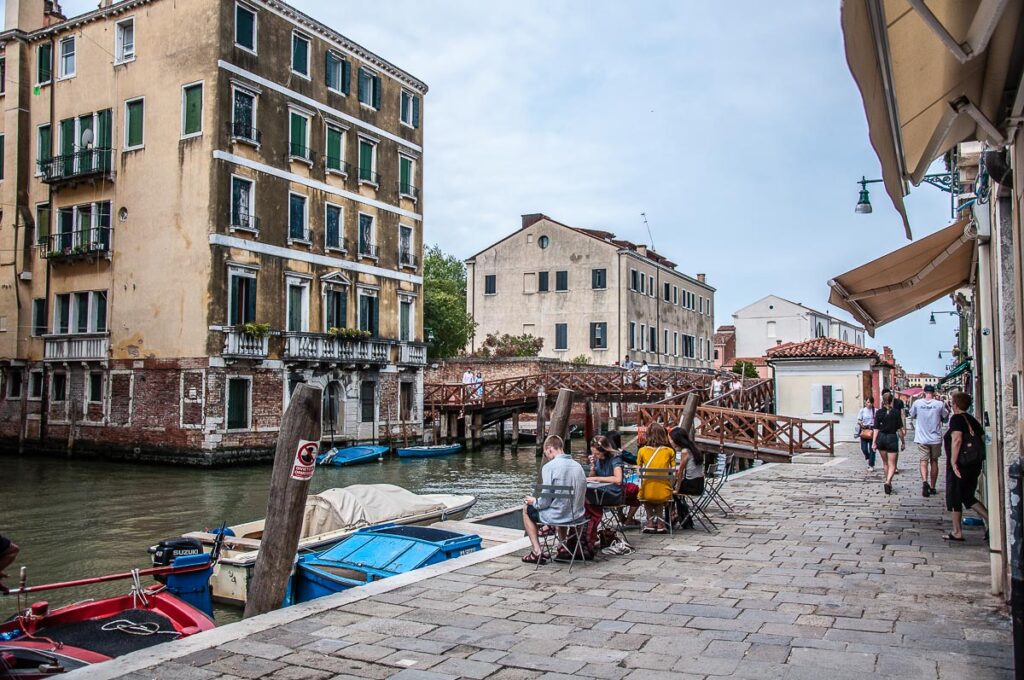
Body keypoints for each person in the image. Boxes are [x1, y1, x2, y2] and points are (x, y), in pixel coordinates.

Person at [522, 435, 587, 565]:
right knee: (560, 505)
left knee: (526, 509)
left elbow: (544, 502)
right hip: (578, 516)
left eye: (546, 454)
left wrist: (534, 501)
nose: (546, 457)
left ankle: (536, 552)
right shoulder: (578, 466)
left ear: (550, 449)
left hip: (559, 516)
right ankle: (563, 547)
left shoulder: (549, 467)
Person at [944, 391, 989, 542]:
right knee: (967, 496)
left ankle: (957, 531)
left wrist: (953, 462)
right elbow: (982, 439)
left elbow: (957, 440)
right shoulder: (972, 420)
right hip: (973, 464)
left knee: (955, 495)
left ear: (955, 404)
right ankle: (991, 520)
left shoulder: (956, 419)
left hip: (960, 464)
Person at [907, 385, 950, 497]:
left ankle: (924, 481)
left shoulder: (917, 403)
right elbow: (945, 417)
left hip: (922, 437)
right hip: (935, 438)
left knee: (923, 461)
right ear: (934, 393)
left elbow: (911, 414)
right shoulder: (939, 404)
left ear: (924, 392)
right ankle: (932, 486)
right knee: (934, 461)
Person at [584, 435, 624, 549]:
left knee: (588, 499)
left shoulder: (615, 458)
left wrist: (597, 479)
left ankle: (590, 532)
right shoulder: (597, 460)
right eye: (593, 454)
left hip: (613, 492)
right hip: (600, 491)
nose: (595, 456)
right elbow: (592, 476)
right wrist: (592, 467)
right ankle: (589, 532)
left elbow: (618, 479)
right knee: (584, 495)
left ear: (605, 451)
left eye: (597, 454)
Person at [636, 422, 675, 533]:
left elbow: (639, 471)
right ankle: (660, 522)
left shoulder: (642, 451)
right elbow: (673, 471)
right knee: (659, 496)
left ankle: (650, 521)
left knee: (647, 494)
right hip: (664, 492)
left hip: (646, 492)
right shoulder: (669, 451)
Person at [670, 427, 705, 530]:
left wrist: (677, 488)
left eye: (671, 439)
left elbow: (680, 472)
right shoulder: (693, 449)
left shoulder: (685, 451)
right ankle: (683, 518)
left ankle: (673, 515)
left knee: (669, 490)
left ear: (677, 439)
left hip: (692, 485)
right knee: (674, 492)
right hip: (699, 483)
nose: (670, 441)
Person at [872, 393, 904, 495]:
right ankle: (888, 481)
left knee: (885, 463)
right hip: (891, 437)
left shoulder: (879, 413)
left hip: (881, 438)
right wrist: (903, 442)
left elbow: (876, 429)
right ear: (892, 401)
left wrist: (874, 442)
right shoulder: (895, 412)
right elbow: (899, 430)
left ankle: (888, 483)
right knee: (892, 465)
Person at [857, 397, 877, 472]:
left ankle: (871, 464)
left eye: (870, 402)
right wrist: (861, 424)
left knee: (872, 449)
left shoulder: (875, 410)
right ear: (865, 402)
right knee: (864, 448)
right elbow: (859, 419)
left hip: (872, 431)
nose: (869, 404)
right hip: (864, 430)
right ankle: (867, 456)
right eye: (868, 402)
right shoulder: (862, 410)